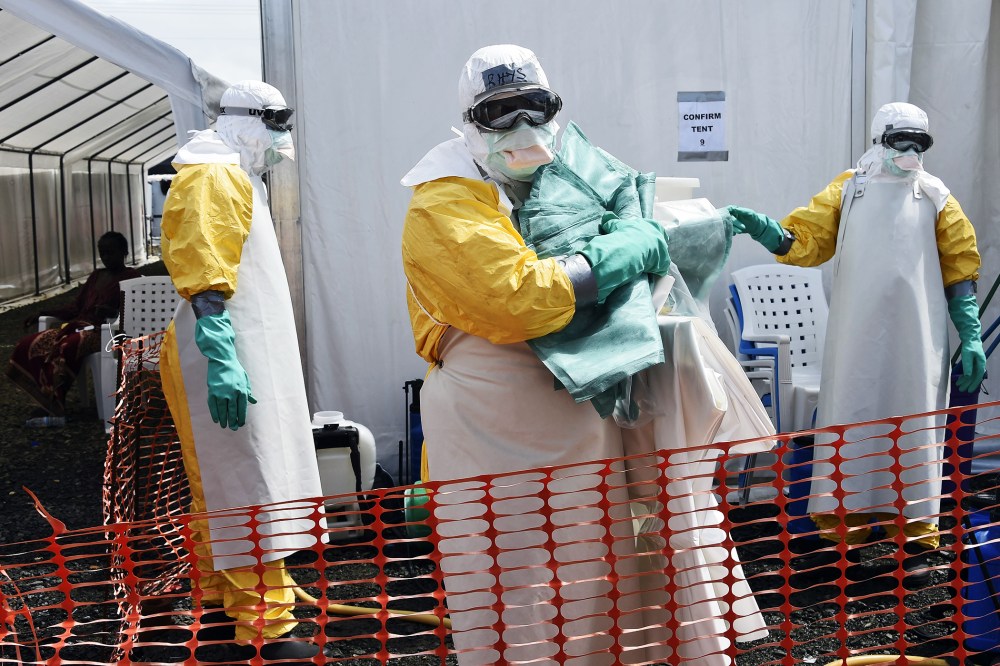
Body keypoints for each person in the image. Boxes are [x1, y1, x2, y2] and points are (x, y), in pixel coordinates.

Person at [401, 45, 768, 666]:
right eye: (498, 112)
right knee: (516, 584)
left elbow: (639, 209)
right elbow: (516, 297)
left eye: (535, 107)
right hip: (496, 429)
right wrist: (617, 254)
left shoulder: (573, 177)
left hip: (585, 415)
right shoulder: (444, 201)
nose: (521, 128)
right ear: (468, 120)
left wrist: (688, 228)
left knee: (601, 570)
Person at [726, 102, 982, 588]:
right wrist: (766, 229)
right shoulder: (849, 190)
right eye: (900, 141)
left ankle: (917, 539)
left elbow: (960, 268)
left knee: (915, 432)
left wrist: (968, 333)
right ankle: (842, 537)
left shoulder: (934, 196)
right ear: (879, 138)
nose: (909, 153)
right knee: (852, 424)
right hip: (855, 343)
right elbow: (805, 243)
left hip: (918, 341)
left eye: (918, 143)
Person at [158, 80, 321, 664]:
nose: (282, 141)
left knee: (237, 483)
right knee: (245, 484)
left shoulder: (233, 170)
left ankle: (219, 609)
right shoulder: (213, 173)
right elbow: (203, 264)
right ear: (246, 121)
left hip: (241, 349)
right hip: (221, 353)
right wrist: (221, 353)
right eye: (276, 126)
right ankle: (265, 626)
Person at [6, 231, 140, 416]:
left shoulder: (131, 277)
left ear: (124, 252)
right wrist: (44, 313)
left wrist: (114, 313)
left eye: (111, 252)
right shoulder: (96, 276)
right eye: (103, 253)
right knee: (30, 343)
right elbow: (75, 307)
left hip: (105, 333)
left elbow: (134, 312)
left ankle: (54, 402)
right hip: (78, 326)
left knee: (66, 347)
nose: (106, 257)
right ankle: (44, 397)